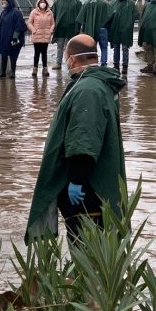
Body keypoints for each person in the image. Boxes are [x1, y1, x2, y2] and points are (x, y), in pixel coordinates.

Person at [25, 34, 126, 242]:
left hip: (87, 191)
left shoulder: (88, 90)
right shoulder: (96, 84)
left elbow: (84, 139)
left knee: (86, 249)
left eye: (65, 58)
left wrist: (77, 180)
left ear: (71, 60)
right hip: (92, 185)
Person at [0, 0, 28, 78]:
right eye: (3, 0)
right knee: (4, 54)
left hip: (13, 39)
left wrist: (15, 37)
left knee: (13, 55)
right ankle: (3, 72)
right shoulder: (3, 12)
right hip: (4, 38)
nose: (3, 2)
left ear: (10, 1)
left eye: (5, 0)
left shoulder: (16, 13)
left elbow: (19, 26)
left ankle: (12, 72)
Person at [76, 0, 113, 66]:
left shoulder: (87, 3)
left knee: (91, 48)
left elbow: (80, 18)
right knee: (104, 48)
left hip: (90, 29)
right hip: (102, 29)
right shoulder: (104, 3)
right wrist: (106, 24)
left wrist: (82, 29)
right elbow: (111, 14)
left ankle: (92, 63)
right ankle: (103, 64)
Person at [108, 0, 139, 75]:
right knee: (116, 48)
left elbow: (136, 15)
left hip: (126, 30)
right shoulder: (113, 3)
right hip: (115, 29)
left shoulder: (130, 4)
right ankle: (116, 65)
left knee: (125, 48)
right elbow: (108, 15)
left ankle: (125, 66)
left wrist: (129, 23)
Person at [51, 0, 82, 70]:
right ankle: (58, 63)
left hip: (71, 29)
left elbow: (81, 14)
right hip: (60, 28)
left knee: (70, 47)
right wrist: (52, 25)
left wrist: (79, 27)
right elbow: (52, 13)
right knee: (60, 46)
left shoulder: (75, 2)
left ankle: (71, 63)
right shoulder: (58, 1)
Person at [27, 0, 55, 77]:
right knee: (37, 53)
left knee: (44, 53)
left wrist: (50, 30)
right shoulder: (34, 12)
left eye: (44, 2)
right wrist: (33, 30)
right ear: (38, 3)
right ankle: (35, 68)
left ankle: (45, 68)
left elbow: (53, 23)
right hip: (37, 36)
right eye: (41, 2)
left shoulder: (49, 12)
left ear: (46, 3)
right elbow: (29, 23)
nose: (42, 3)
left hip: (46, 36)